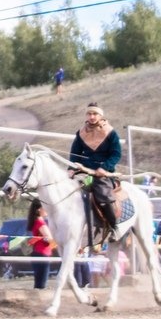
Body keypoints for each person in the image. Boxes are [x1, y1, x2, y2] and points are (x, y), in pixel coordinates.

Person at [68, 103, 122, 236]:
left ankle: (114, 227)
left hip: (103, 173)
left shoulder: (111, 133)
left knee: (102, 193)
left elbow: (116, 154)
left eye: (95, 114)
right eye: (89, 114)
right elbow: (75, 154)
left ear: (100, 115)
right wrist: (71, 168)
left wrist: (104, 168)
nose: (92, 117)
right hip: (84, 171)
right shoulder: (81, 133)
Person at [27, 199, 55, 290]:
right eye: (44, 207)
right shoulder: (40, 222)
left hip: (39, 252)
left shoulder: (36, 221)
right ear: (39, 209)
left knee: (38, 282)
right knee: (41, 284)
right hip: (42, 253)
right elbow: (50, 239)